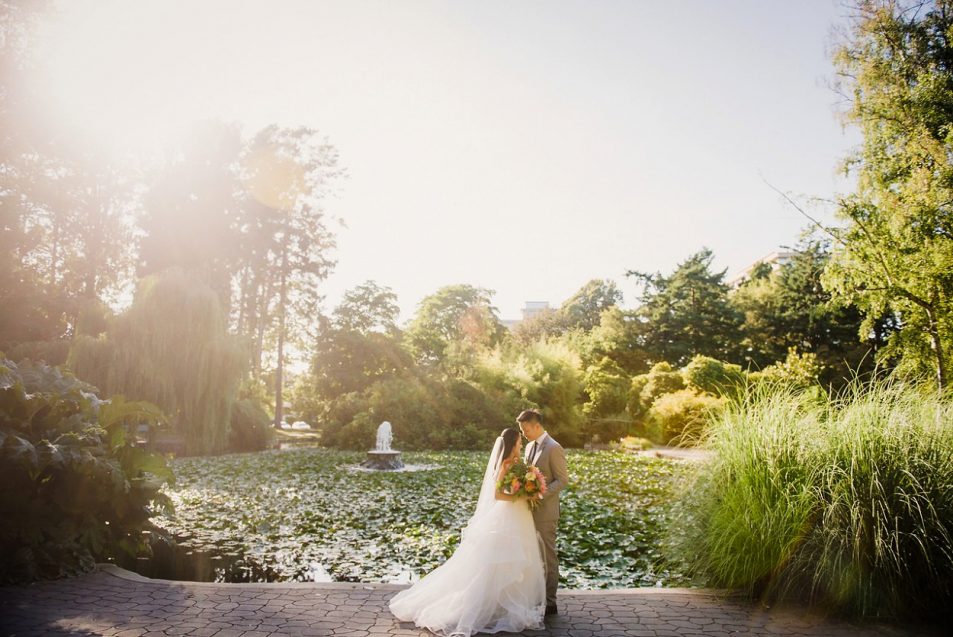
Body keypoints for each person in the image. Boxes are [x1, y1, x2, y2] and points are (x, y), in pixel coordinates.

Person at [388, 427, 545, 636]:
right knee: (497, 562)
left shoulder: (520, 465)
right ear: (511, 444)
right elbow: (499, 495)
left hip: (520, 516)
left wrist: (530, 489)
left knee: (517, 561)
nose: (521, 445)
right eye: (518, 442)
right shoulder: (506, 465)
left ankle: (504, 606)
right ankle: (481, 606)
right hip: (507, 516)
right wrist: (523, 496)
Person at [516, 408, 569, 616]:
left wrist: (539, 495)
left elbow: (562, 480)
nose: (524, 433)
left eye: (526, 429)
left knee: (548, 557)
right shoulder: (529, 447)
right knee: (532, 557)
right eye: (522, 430)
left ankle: (550, 602)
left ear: (537, 425)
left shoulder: (554, 447)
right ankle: (535, 597)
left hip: (546, 513)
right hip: (528, 513)